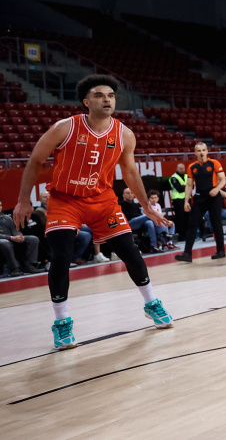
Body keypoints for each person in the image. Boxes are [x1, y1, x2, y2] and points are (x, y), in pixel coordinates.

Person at [11, 74, 173, 350]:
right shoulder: (65, 127)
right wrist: (23, 200)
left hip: (101, 199)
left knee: (129, 250)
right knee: (61, 255)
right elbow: (36, 160)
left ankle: (151, 302)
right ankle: (61, 321)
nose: (106, 99)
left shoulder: (124, 134)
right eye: (99, 95)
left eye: (110, 95)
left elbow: (130, 172)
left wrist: (146, 206)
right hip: (65, 199)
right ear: (86, 102)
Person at [175, 142, 226, 262]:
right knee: (192, 224)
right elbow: (189, 185)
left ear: (207, 151)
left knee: (216, 223)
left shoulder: (214, 163)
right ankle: (187, 254)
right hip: (200, 197)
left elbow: (223, 180)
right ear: (195, 153)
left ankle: (221, 250)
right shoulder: (192, 167)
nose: (201, 153)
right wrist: (186, 201)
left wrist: (217, 189)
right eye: (199, 151)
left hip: (214, 197)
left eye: (203, 150)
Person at [1, 197, 42, 276]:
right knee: (5, 242)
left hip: (11, 238)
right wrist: (11, 238)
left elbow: (14, 229)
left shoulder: (7, 218)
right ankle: (14, 268)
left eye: (0, 205)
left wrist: (19, 236)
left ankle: (29, 265)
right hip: (4, 240)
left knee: (33, 239)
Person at [167, 163, 188, 229]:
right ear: (176, 169)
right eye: (180, 168)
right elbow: (179, 189)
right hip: (177, 199)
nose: (182, 170)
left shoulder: (187, 176)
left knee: (188, 216)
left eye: (183, 168)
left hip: (187, 198)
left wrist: (184, 187)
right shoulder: (174, 177)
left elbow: (192, 186)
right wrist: (187, 187)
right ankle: (180, 233)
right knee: (180, 217)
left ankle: (187, 233)